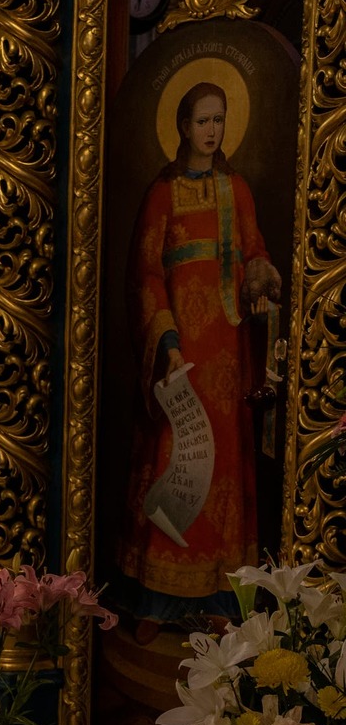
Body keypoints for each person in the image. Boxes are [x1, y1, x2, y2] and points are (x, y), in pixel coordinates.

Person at [121, 80, 280, 624]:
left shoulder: (237, 189)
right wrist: (165, 341)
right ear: (183, 126)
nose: (211, 131)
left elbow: (255, 251)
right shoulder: (162, 193)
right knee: (174, 458)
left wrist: (261, 279)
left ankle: (218, 597)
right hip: (180, 352)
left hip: (228, 354)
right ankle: (157, 601)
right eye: (202, 121)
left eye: (220, 120)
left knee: (223, 466)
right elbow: (145, 272)